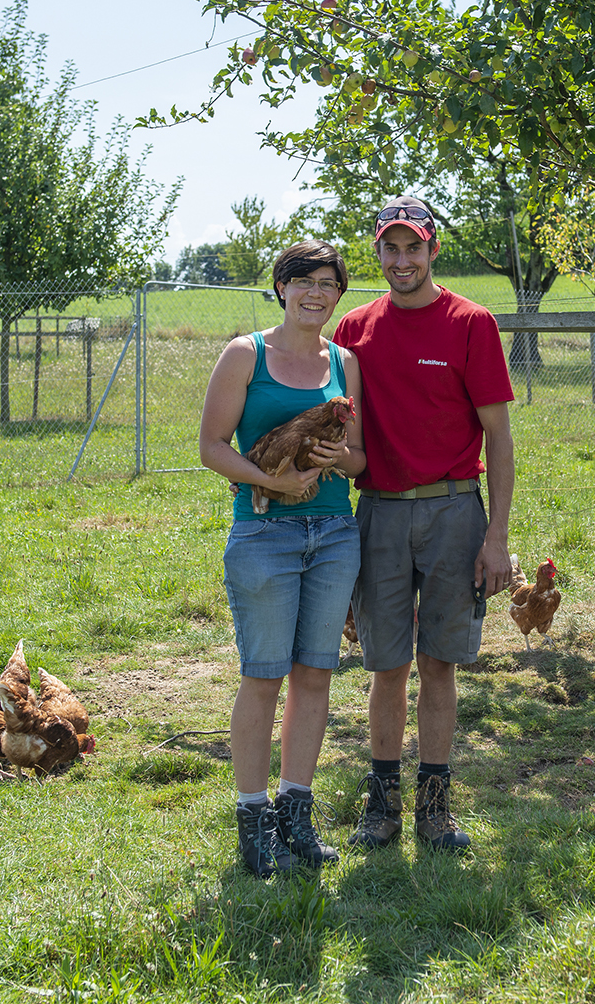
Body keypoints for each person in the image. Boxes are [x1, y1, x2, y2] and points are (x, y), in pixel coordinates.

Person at [332, 196, 516, 851]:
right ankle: (380, 807)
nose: (402, 259)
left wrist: (495, 536)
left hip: (453, 510)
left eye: (413, 247)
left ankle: (435, 807)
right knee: (387, 665)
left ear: (433, 248)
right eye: (390, 247)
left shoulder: (471, 322)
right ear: (377, 253)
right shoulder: (353, 329)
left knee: (440, 663)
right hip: (378, 510)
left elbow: (499, 434)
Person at [198, 240, 366, 878]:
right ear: (282, 289)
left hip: (332, 531)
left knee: (316, 676)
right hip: (264, 536)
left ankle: (297, 810)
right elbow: (213, 447)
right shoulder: (246, 354)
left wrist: (334, 462)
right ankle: (251, 816)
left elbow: (361, 459)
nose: (315, 293)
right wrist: (273, 484)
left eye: (327, 283)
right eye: (303, 282)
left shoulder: (344, 362)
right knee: (263, 676)